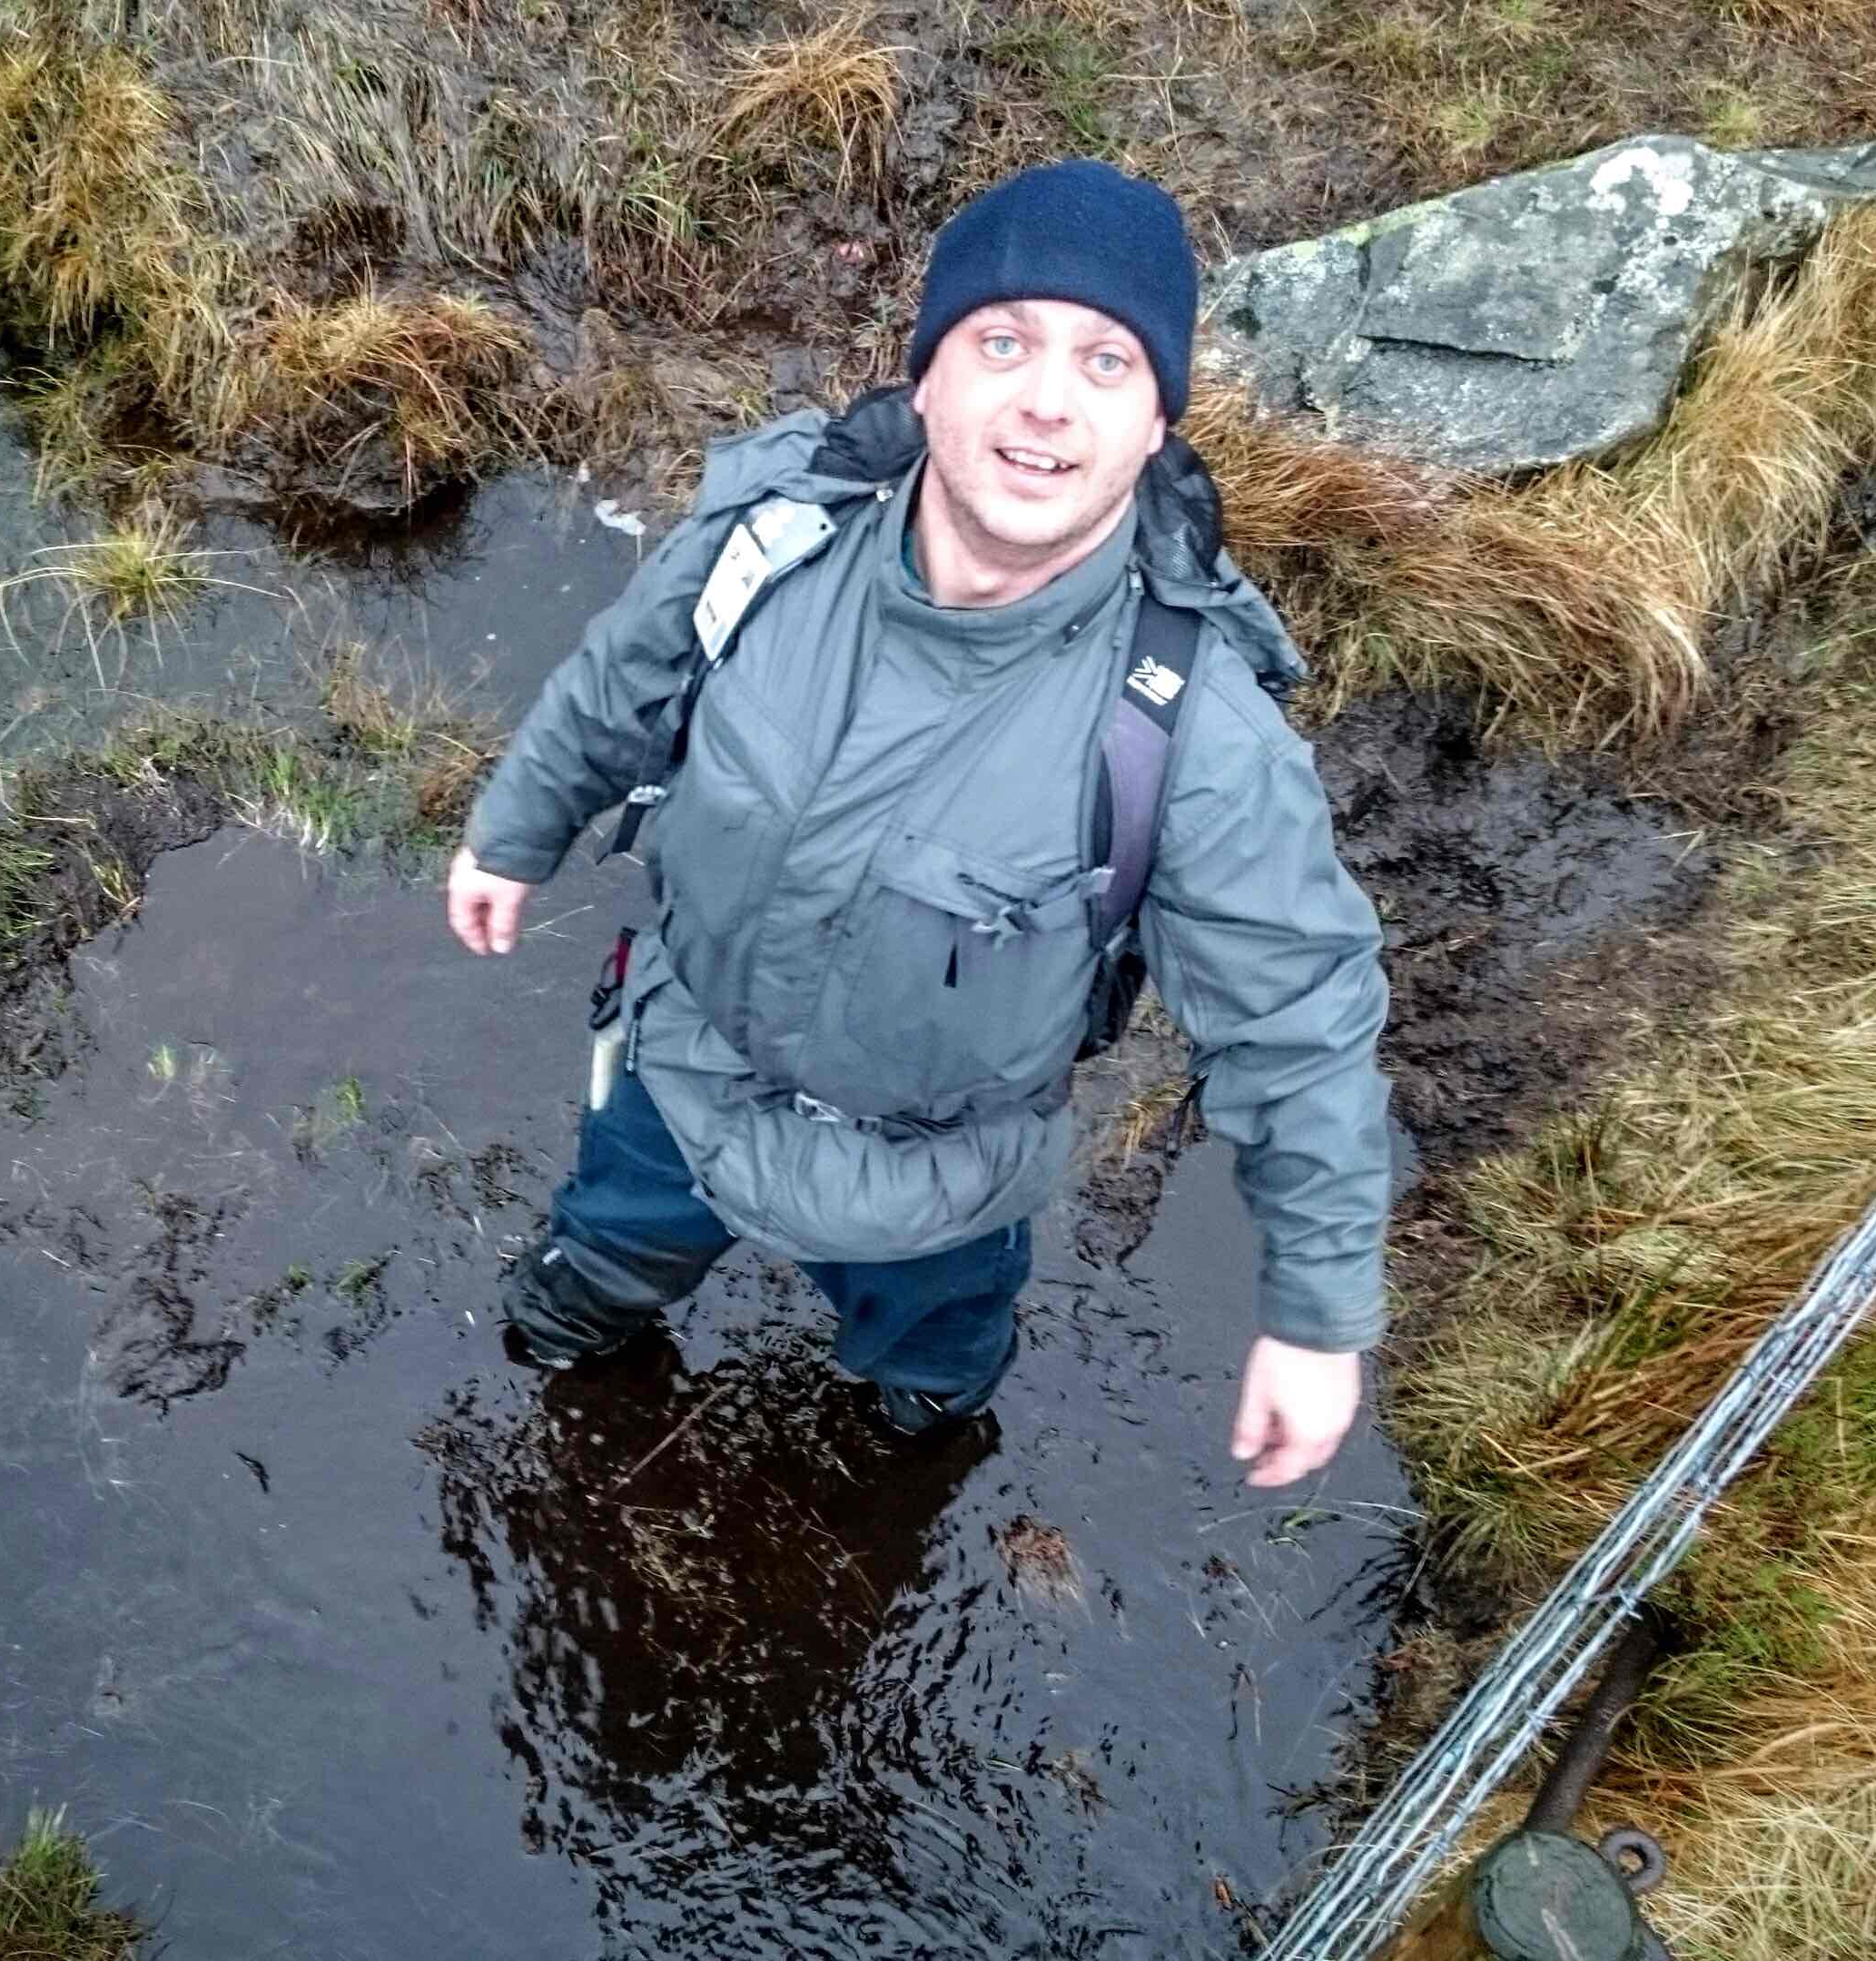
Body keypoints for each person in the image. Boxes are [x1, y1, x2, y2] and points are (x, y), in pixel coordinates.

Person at [444, 161, 1393, 1487]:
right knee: (604, 1252)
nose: (1047, 399)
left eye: (1107, 363)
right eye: (1002, 341)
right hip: (684, 1075)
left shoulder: (1195, 738)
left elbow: (1299, 1025)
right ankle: (578, 1317)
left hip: (941, 1182)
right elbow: (624, 681)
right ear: (928, 377)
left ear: (1156, 429)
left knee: (932, 1361)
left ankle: (916, 1423)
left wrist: (1317, 1314)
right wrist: (514, 832)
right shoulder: (769, 534)